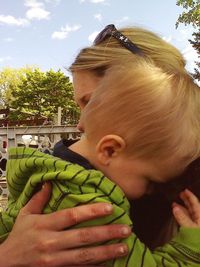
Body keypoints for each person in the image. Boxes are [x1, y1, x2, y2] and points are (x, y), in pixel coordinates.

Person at [2, 57, 200, 266]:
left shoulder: (47, 171)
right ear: (110, 150)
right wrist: (191, 249)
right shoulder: (91, 205)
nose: (151, 190)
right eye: (149, 180)